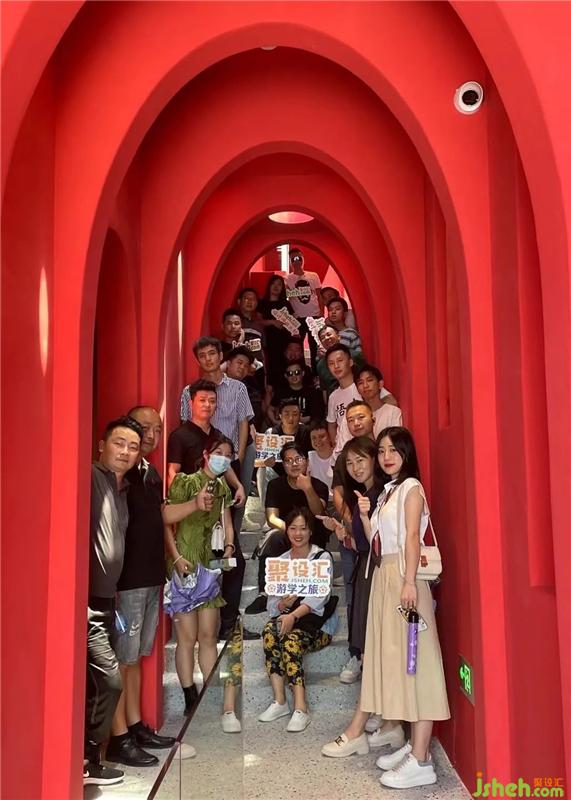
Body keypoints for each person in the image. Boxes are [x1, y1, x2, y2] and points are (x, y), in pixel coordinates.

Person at [322, 427, 450, 791]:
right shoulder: (388, 491)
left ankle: (421, 760)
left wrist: (409, 582)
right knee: (398, 661)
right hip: (385, 577)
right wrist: (365, 515)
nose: (386, 457)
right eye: (382, 451)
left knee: (417, 661)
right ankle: (413, 747)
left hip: (403, 577)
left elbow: (411, 538)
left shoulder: (411, 488)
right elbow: (376, 542)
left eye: (394, 450)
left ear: (407, 453)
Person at [108, 407, 175, 768]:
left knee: (134, 658)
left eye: (157, 429)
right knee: (123, 658)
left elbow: (161, 516)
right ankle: (119, 737)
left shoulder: (148, 471)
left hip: (151, 577)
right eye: (144, 428)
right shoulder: (118, 475)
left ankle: (135, 726)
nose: (151, 435)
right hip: (128, 580)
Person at [84, 416, 143, 787]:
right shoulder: (91, 476)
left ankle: (88, 760)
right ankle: (87, 757)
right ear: (102, 446)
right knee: (110, 680)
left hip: (108, 599)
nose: (125, 452)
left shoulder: (123, 488)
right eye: (119, 443)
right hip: (86, 600)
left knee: (98, 682)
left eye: (133, 447)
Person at [179, 339, 252, 638]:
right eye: (203, 355)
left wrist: (238, 462)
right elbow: (184, 437)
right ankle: (205, 619)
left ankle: (226, 620)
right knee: (206, 549)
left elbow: (243, 424)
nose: (208, 359)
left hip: (228, 471)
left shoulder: (236, 391)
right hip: (198, 485)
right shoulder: (188, 398)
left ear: (221, 356)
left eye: (213, 354)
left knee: (229, 547)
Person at [163, 432, 235, 714]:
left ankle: (210, 691)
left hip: (210, 566)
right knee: (187, 637)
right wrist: (176, 557)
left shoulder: (223, 488)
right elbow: (167, 520)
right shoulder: (185, 482)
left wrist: (229, 546)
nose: (223, 459)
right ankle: (188, 694)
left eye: (228, 456)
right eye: (219, 453)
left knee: (208, 635)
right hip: (184, 561)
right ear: (206, 455)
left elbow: (226, 522)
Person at [259, 508, 337, 732]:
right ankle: (280, 701)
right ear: (287, 531)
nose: (298, 533)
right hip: (288, 617)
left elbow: (320, 598)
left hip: (317, 625)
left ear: (310, 531)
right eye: (293, 528)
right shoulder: (282, 561)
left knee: (290, 640)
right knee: (269, 632)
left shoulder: (321, 558)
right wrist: (283, 604)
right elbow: (272, 605)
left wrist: (293, 615)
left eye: (303, 528)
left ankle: (301, 708)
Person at [321, 437, 384, 685]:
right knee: (366, 631)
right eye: (349, 463)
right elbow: (362, 545)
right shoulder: (363, 497)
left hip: (378, 570)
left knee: (375, 634)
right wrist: (342, 534)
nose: (355, 468)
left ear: (374, 459)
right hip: (365, 569)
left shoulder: (381, 494)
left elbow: (378, 543)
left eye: (360, 460)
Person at [245, 443, 329, 614]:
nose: (294, 464)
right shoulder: (275, 485)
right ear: (283, 464)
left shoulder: (319, 486)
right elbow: (271, 518)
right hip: (285, 534)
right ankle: (265, 593)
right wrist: (293, 532)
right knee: (273, 537)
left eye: (298, 459)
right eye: (288, 460)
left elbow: (319, 512)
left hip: (313, 536)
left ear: (307, 461)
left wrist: (307, 488)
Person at [284, 247, 324, 369]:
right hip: (297, 317)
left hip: (314, 315)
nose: (296, 261)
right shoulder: (287, 279)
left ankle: (315, 373)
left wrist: (322, 313)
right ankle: (301, 370)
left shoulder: (313, 276)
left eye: (299, 258)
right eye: (293, 259)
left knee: (314, 345)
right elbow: (286, 298)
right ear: (290, 262)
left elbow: (319, 295)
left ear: (303, 259)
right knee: (297, 346)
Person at [258, 274, 295, 389]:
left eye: (279, 284)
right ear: (269, 286)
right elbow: (258, 321)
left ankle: (286, 389)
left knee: (285, 364)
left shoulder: (285, 303)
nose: (276, 286)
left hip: (284, 339)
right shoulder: (262, 303)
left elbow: (293, 321)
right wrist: (272, 322)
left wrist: (291, 326)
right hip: (268, 339)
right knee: (271, 365)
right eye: (273, 284)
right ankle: (272, 390)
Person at [269, 359, 325, 425]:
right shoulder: (281, 392)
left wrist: (296, 420)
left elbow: (317, 416)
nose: (293, 376)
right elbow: (270, 409)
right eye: (290, 373)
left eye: (297, 372)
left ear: (303, 373)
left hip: (307, 427)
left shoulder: (313, 393)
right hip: (285, 427)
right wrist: (275, 421)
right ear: (285, 376)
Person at [355, 364, 403, 436]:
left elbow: (395, 440)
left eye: (369, 380)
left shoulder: (393, 412)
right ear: (357, 389)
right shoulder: (352, 415)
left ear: (380, 384)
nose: (365, 386)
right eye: (360, 383)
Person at [317, 324, 364, 396]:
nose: (326, 338)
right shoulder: (321, 365)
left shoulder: (355, 356)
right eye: (323, 337)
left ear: (339, 336)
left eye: (329, 334)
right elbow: (325, 390)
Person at [307, 421, 334, 494]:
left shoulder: (338, 456)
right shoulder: (309, 457)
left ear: (330, 436)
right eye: (314, 438)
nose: (318, 441)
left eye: (322, 436)